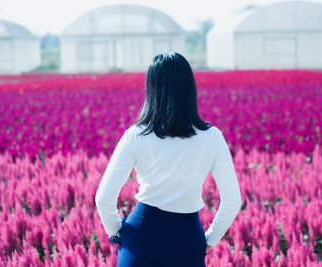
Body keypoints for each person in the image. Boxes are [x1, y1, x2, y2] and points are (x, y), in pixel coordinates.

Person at [95, 52, 242, 267]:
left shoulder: (136, 136)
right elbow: (233, 200)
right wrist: (211, 239)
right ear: (189, 88)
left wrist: (117, 233)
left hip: (140, 242)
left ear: (152, 89)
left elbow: (103, 199)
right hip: (187, 242)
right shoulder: (212, 138)